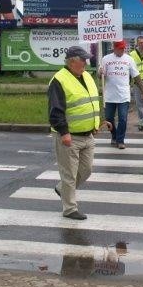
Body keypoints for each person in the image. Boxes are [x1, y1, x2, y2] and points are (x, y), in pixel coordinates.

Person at [48, 46, 112, 220]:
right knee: (69, 174)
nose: (86, 62)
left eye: (86, 59)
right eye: (82, 59)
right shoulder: (59, 80)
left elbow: (91, 102)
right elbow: (55, 110)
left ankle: (62, 189)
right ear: (72, 61)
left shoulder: (87, 77)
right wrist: (64, 132)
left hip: (88, 134)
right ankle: (69, 209)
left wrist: (96, 123)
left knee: (86, 170)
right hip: (69, 135)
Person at [99, 40, 143, 150]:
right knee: (109, 118)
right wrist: (99, 73)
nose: (122, 50)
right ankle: (114, 135)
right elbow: (100, 75)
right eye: (120, 48)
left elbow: (136, 76)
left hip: (123, 95)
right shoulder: (106, 59)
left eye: (123, 48)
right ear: (114, 48)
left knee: (123, 118)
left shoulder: (129, 59)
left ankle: (120, 140)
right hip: (109, 95)